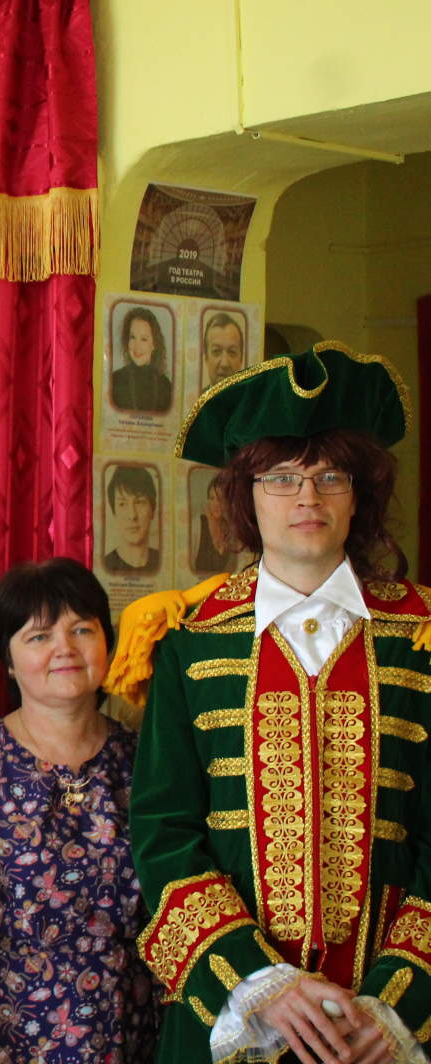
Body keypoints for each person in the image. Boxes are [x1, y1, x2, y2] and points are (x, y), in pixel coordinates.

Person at [126, 342, 431, 1064]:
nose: (307, 498)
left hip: (385, 1029)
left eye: (330, 477)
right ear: (246, 496)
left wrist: (395, 1003)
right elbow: (163, 833)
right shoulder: (189, 640)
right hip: (232, 1023)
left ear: (359, 495)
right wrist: (258, 983)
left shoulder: (421, 637)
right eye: (282, 478)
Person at [0, 557, 159, 1063]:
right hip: (2, 1041)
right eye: (39, 636)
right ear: (9, 659)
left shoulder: (145, 762)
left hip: (129, 1038)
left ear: (107, 643)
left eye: (81, 630)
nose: (65, 649)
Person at [110, 306, 173, 414]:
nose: (137, 346)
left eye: (144, 339)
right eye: (132, 337)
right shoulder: (114, 380)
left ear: (154, 344)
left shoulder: (166, 386)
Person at [104, 464, 161, 574]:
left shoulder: (162, 561)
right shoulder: (105, 565)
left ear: (153, 510)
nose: (132, 515)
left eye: (139, 502)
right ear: (114, 512)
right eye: (122, 504)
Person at [191, 474, 236, 575]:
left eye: (220, 498)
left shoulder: (230, 529)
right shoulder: (198, 524)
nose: (216, 504)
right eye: (212, 498)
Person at [202, 309, 245, 389]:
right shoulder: (197, 396)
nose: (224, 364)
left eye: (232, 352)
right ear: (206, 357)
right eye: (216, 351)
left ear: (241, 359)